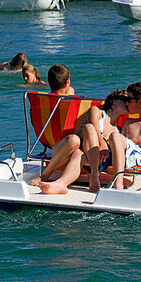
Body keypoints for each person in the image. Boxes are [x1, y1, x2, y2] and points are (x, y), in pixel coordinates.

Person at [32, 65, 107, 195]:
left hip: (54, 145)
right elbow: (70, 90)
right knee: (73, 139)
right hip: (67, 145)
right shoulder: (75, 101)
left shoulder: (38, 100)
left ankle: (95, 175)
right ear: (67, 82)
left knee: (87, 129)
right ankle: (45, 175)